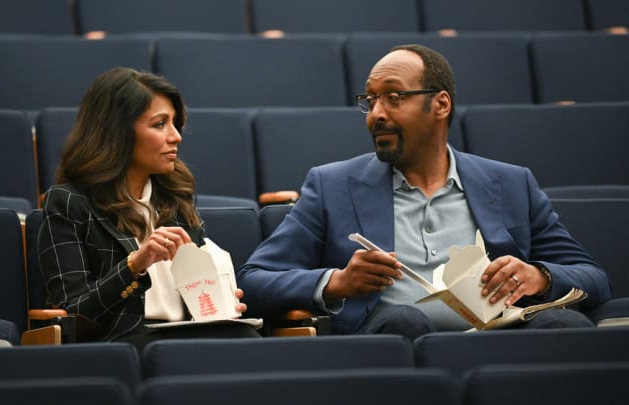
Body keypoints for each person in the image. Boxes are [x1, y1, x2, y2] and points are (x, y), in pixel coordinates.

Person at [236, 44, 611, 340]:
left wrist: (539, 276)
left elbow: (592, 278)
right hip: (394, 343)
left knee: (565, 326)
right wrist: (337, 283)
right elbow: (253, 280)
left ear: (441, 104)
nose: (376, 114)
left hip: (504, 338)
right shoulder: (331, 185)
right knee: (402, 320)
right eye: (370, 100)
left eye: (393, 97)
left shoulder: (512, 183)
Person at [38, 67, 260, 349]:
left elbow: (199, 280)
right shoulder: (69, 203)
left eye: (175, 123)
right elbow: (71, 318)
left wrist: (219, 299)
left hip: (191, 334)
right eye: (159, 124)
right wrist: (135, 265)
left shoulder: (175, 196)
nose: (176, 136)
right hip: (125, 342)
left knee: (247, 338)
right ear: (118, 132)